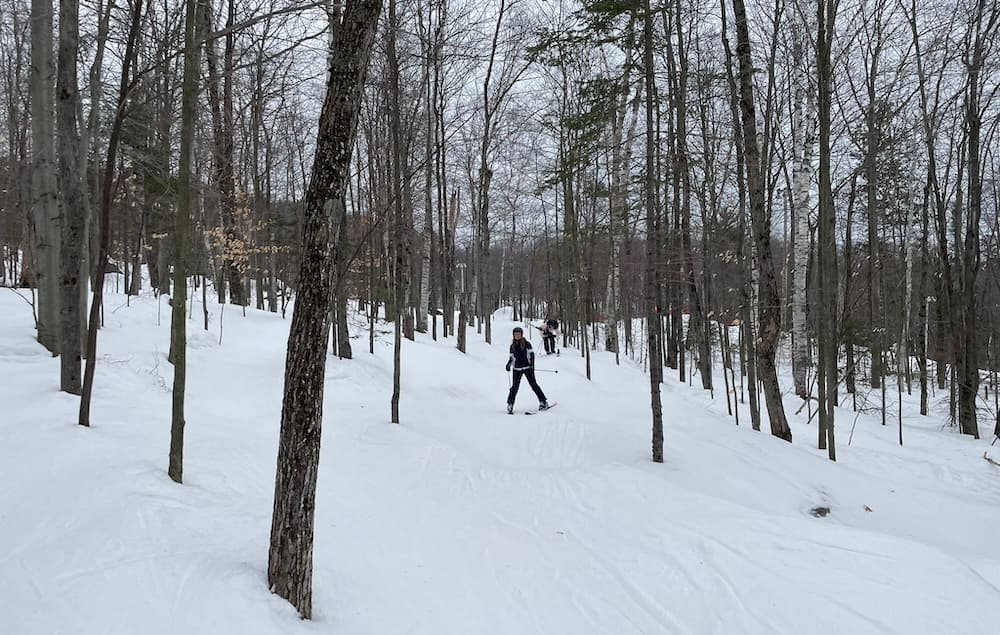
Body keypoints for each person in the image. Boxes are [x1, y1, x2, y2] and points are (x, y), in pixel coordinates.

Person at [505, 326, 549, 414]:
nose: (517, 335)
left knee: (533, 385)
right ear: (513, 335)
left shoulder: (527, 344)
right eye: (515, 334)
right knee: (514, 387)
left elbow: (532, 356)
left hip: (527, 368)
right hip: (517, 369)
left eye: (519, 334)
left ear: (521, 335)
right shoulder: (512, 346)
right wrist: (508, 365)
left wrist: (532, 366)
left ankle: (543, 402)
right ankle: (510, 404)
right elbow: (512, 357)